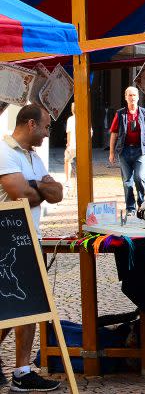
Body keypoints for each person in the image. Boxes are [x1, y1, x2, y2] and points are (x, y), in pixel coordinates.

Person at [0, 104, 63, 392]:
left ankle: (22, 371)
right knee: (11, 305)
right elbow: (20, 193)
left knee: (27, 306)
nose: (48, 132)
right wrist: (39, 188)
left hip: (30, 237)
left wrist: (34, 184)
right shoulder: (4, 152)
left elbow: (58, 193)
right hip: (7, 242)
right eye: (46, 127)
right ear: (30, 124)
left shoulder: (34, 157)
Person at [109, 86, 145, 212]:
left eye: (134, 95)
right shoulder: (120, 114)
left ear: (138, 97)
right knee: (127, 182)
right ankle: (130, 208)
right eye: (129, 95)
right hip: (124, 151)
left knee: (139, 178)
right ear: (125, 98)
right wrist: (112, 153)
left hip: (141, 151)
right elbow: (114, 133)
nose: (132, 98)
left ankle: (142, 204)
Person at [64, 102, 76, 191]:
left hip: (72, 145)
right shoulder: (85, 119)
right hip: (79, 146)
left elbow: (68, 133)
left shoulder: (70, 119)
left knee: (67, 161)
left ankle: (68, 180)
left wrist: (68, 144)